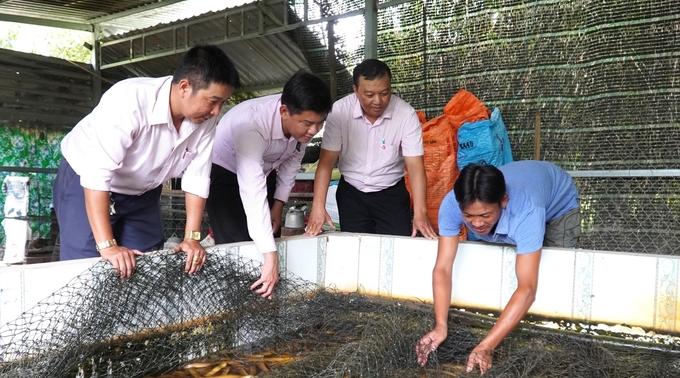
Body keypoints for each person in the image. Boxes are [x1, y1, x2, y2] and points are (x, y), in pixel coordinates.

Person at [53, 44, 240, 279]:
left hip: (143, 193)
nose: (216, 111)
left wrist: (191, 238)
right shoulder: (129, 99)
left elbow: (197, 177)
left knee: (146, 269)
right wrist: (108, 245)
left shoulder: (205, 120)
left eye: (222, 103)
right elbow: (97, 175)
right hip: (87, 185)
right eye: (213, 101)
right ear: (184, 87)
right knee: (86, 269)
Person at [416, 160, 581, 374]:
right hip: (523, 200)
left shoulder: (527, 211)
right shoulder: (451, 204)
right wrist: (441, 325)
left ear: (503, 200)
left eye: (485, 215)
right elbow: (443, 268)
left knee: (551, 273)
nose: (476, 224)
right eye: (468, 216)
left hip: (558, 207)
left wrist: (486, 346)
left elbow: (528, 288)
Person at [206, 69, 332, 299]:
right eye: (307, 123)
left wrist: (277, 206)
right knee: (239, 246)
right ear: (284, 111)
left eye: (319, 123)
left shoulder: (301, 129)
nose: (314, 131)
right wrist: (271, 257)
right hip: (225, 172)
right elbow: (252, 192)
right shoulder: (251, 125)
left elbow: (292, 162)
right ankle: (235, 305)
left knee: (267, 237)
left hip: (264, 170)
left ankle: (264, 302)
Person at [304, 59, 437, 240]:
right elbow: (326, 162)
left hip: (391, 194)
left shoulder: (405, 115)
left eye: (384, 93)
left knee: (396, 248)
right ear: (356, 91)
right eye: (369, 94)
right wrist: (318, 207)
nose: (378, 101)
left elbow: (415, 167)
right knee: (356, 249)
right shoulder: (340, 111)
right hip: (352, 193)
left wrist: (421, 212)